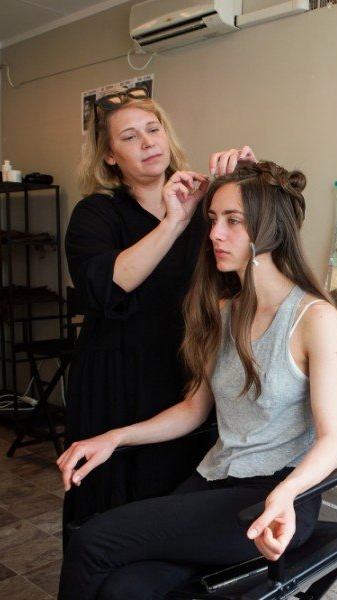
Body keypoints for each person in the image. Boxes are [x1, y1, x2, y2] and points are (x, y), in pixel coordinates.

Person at [57, 160, 337, 599]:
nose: (214, 234)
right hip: (213, 481)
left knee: (92, 542)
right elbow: (194, 409)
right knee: (124, 589)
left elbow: (331, 440)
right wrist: (113, 438)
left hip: (271, 499)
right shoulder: (226, 312)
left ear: (269, 229)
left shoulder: (313, 318)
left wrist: (286, 495)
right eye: (212, 220)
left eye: (232, 221)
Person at [64, 84, 256, 538]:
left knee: (181, 507)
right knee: (112, 509)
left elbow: (257, 251)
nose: (148, 142)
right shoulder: (95, 214)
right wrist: (174, 221)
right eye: (129, 137)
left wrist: (250, 183)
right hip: (116, 382)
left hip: (187, 372)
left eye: (153, 129)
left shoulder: (206, 205)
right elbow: (108, 285)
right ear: (109, 155)